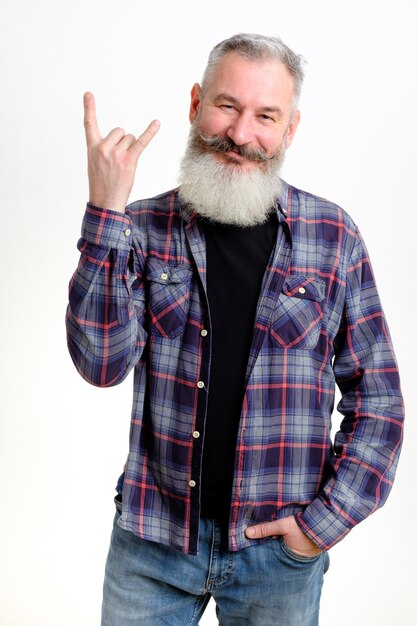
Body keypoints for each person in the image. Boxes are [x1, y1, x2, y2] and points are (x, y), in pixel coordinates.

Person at [66, 33, 404, 626]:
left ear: (290, 129)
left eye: (265, 116)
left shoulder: (333, 238)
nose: (241, 134)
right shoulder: (140, 227)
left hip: (277, 555)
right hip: (152, 541)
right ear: (195, 103)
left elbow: (379, 403)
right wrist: (104, 211)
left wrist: (317, 527)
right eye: (226, 106)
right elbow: (100, 365)